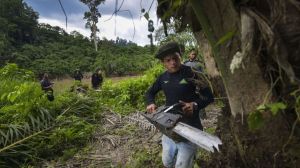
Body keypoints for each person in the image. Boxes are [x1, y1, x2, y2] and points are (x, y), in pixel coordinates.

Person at [145, 42, 214, 168]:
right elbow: (150, 92)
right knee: (167, 162)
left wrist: (194, 105)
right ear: (163, 63)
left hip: (190, 127)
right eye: (168, 60)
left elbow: (209, 97)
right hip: (169, 127)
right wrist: (150, 103)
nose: (173, 62)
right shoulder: (162, 78)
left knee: (182, 165)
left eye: (175, 58)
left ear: (180, 57)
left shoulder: (193, 73)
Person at [184, 48, 207, 119]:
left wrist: (201, 83)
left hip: (197, 83)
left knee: (199, 98)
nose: (194, 56)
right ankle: (190, 115)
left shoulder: (199, 64)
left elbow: (202, 74)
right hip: (187, 84)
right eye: (192, 54)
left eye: (195, 54)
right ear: (189, 55)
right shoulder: (185, 63)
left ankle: (202, 116)